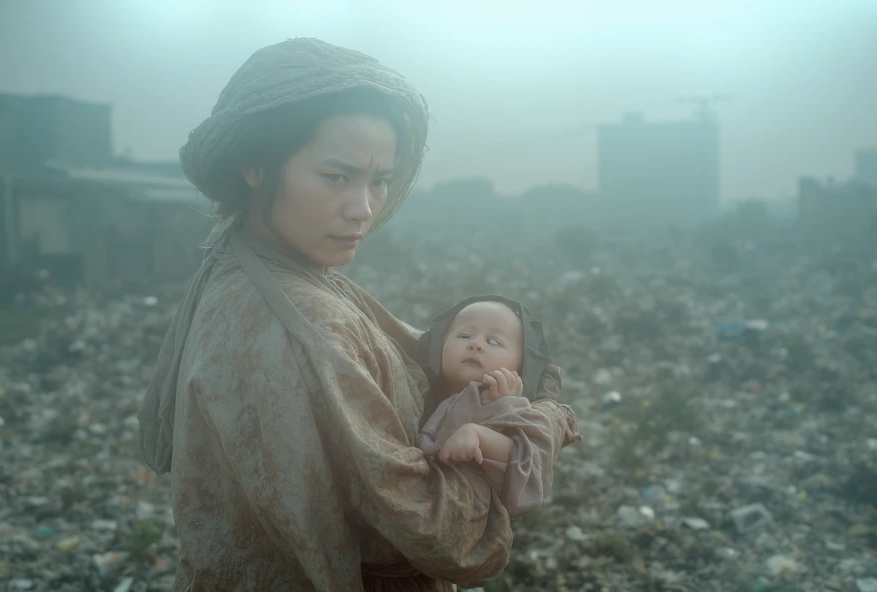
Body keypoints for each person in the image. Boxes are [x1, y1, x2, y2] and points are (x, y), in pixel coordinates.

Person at [136, 37, 580, 592]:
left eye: (379, 181)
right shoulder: (298, 318)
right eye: (336, 177)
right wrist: (524, 435)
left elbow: (409, 350)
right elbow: (444, 535)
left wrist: (523, 396)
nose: (363, 208)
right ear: (255, 167)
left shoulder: (263, 265)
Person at [415, 295, 571, 519]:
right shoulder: (420, 393)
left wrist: (480, 433)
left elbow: (528, 469)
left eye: (493, 342)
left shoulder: (520, 410)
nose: (475, 344)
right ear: (439, 347)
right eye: (464, 335)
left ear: (520, 366)